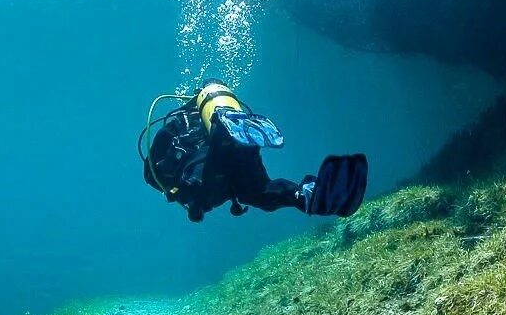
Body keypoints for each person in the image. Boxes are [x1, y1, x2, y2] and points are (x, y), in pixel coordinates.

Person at [140, 81, 367, 223]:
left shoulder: (179, 121)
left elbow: (150, 172)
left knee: (216, 187)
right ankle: (308, 194)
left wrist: (175, 191)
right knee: (263, 193)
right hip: (242, 153)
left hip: (208, 174)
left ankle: (223, 132)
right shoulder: (198, 120)